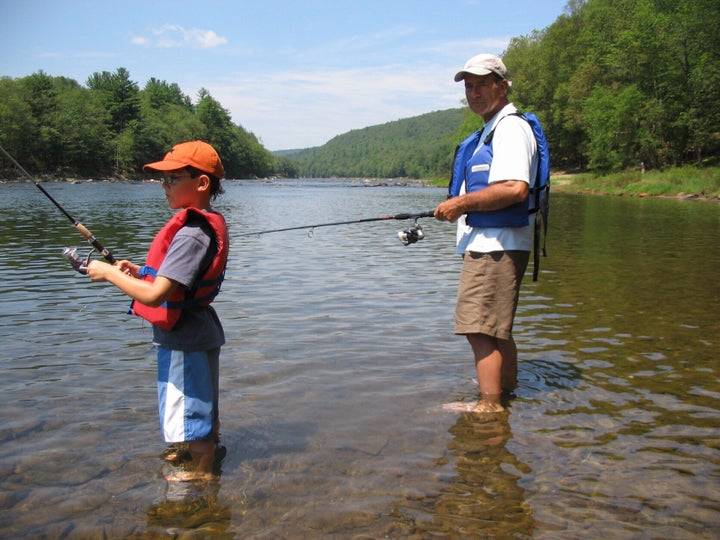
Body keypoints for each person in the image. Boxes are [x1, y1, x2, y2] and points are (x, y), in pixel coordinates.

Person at [87, 140, 230, 480]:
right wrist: (141, 271)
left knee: (191, 420)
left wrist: (107, 273)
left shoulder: (192, 234)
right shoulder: (200, 227)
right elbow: (174, 282)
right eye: (162, 179)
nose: (163, 186)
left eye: (172, 179)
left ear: (201, 183)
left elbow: (155, 297)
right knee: (200, 411)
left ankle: (198, 483)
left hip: (184, 339)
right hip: (199, 331)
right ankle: (203, 469)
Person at [434, 54, 538, 413]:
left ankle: (489, 407)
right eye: (469, 86)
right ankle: (504, 397)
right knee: (495, 330)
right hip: (496, 242)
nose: (474, 92)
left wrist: (460, 203)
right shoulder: (492, 129)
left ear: (501, 85)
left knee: (479, 329)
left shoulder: (509, 128)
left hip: (497, 245)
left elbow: (514, 189)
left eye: (482, 84)